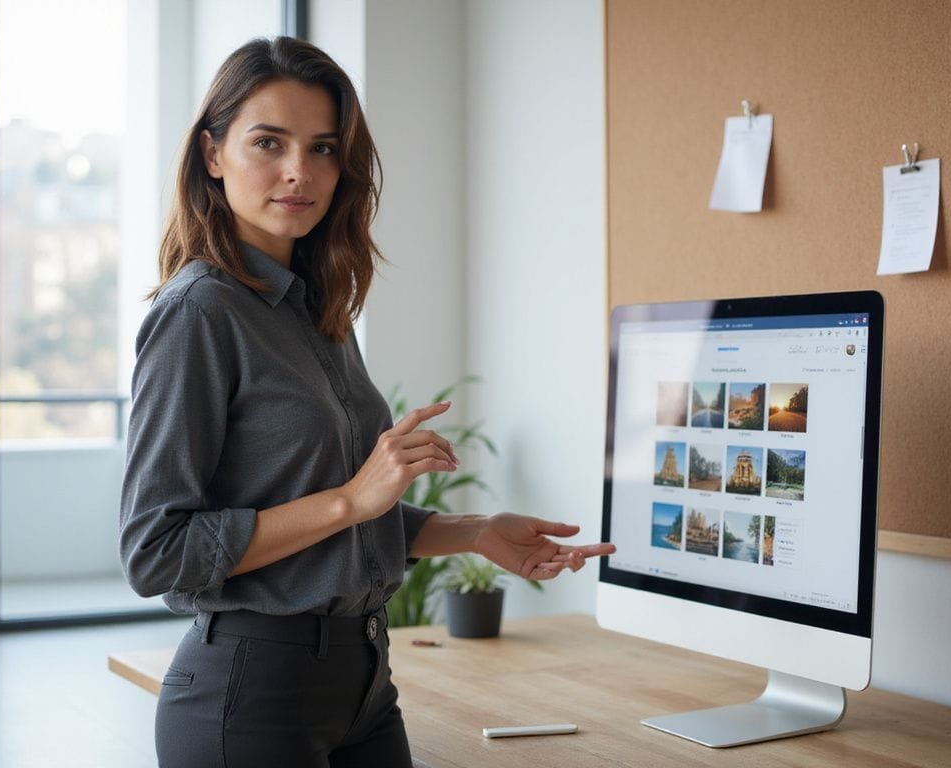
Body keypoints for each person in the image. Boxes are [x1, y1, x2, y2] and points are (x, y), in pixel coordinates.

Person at [118, 37, 614, 767]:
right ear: (212, 154)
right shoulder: (199, 313)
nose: (300, 171)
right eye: (268, 142)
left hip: (364, 685)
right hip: (250, 695)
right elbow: (155, 552)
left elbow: (333, 514)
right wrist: (352, 499)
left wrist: (474, 531)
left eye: (322, 148)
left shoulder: (315, 308)